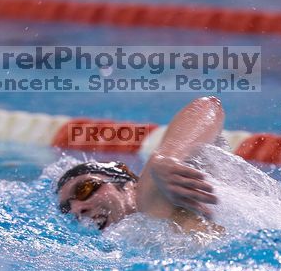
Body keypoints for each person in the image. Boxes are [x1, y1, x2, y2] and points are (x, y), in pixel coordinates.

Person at [56, 96, 225, 232]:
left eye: (84, 189)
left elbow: (207, 106)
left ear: (127, 181)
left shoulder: (149, 195)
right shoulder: (131, 236)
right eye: (67, 209)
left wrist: (167, 156)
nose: (77, 209)